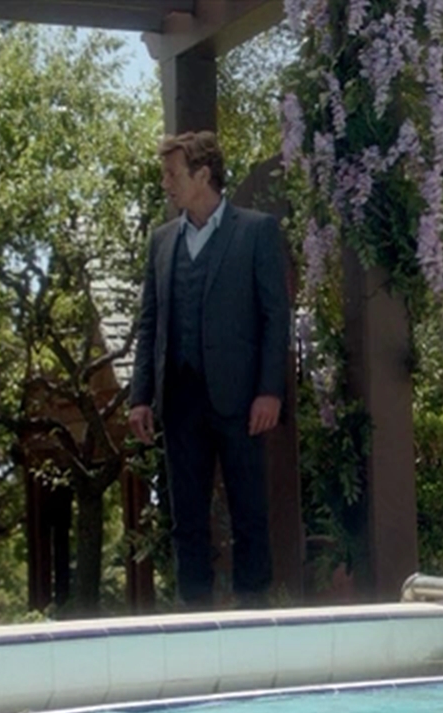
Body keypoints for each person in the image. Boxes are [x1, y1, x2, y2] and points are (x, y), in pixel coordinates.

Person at [128, 131, 290, 610]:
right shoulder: (162, 241)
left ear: (203, 175)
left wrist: (270, 390)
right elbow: (150, 323)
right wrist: (140, 397)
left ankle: (254, 613)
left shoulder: (256, 231)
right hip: (179, 399)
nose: (165, 183)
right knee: (186, 518)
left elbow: (274, 316)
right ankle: (193, 616)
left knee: (249, 511)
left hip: (241, 399)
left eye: (172, 173)